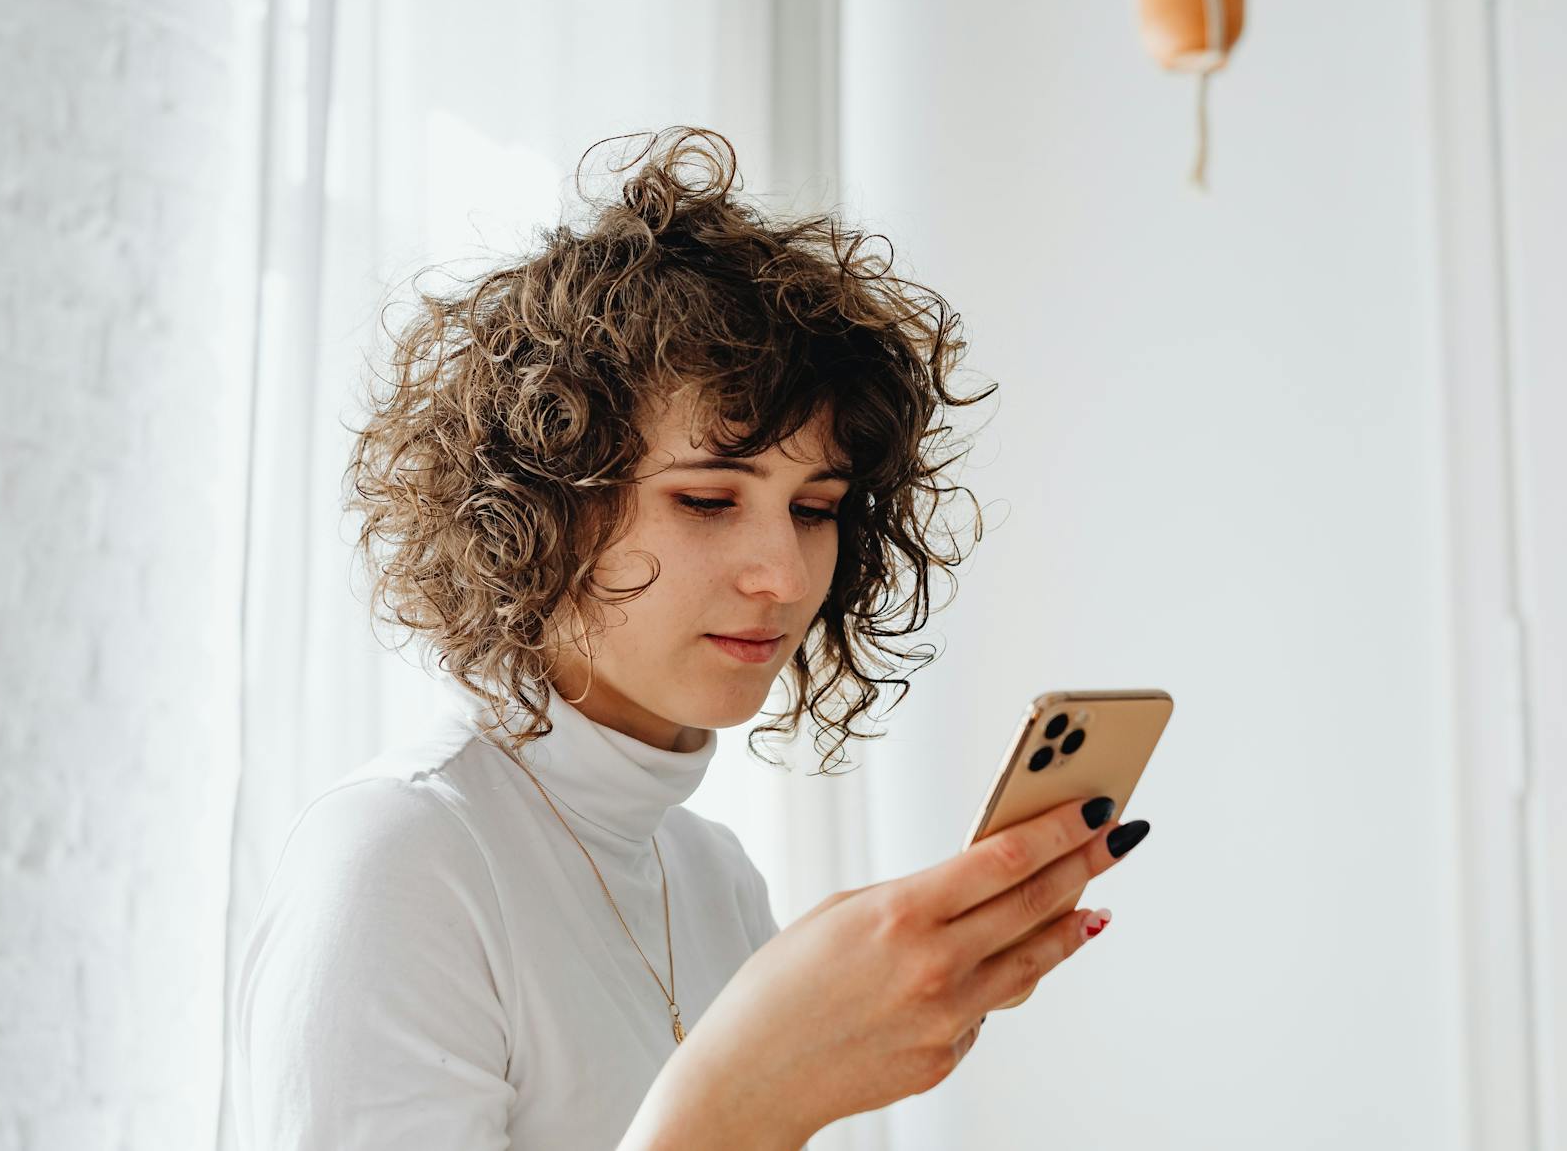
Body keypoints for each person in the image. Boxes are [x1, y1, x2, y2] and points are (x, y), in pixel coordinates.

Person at [226, 126, 1152, 1149]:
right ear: (539, 504)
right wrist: (749, 1091)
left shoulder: (714, 876)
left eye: (814, 507)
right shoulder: (401, 855)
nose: (784, 574)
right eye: (709, 499)